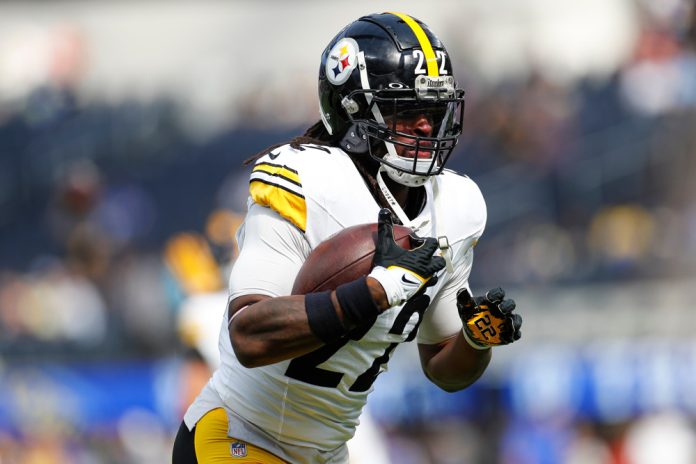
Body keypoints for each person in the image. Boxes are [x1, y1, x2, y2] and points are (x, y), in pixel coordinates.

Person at [172, 11, 523, 464]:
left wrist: (476, 341)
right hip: (242, 434)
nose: (426, 126)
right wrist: (372, 292)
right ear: (354, 109)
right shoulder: (307, 179)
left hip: (329, 452)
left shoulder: (456, 205)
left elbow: (443, 367)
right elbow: (250, 335)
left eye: (434, 111)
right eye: (408, 109)